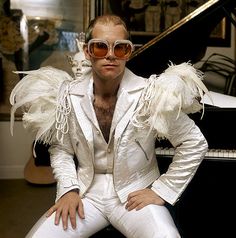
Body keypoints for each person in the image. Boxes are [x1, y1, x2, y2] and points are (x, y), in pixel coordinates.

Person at [10, 14, 209, 238]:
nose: (111, 55)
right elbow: (61, 149)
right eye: (100, 48)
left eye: (120, 48)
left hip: (135, 194)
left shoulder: (151, 93)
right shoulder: (68, 95)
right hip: (87, 193)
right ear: (87, 51)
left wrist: (162, 190)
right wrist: (68, 189)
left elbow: (194, 142)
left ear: (130, 51)